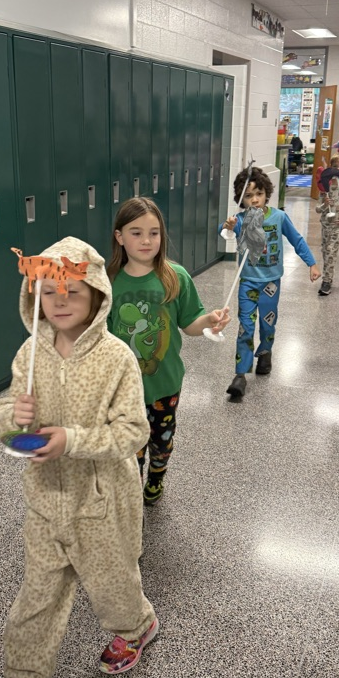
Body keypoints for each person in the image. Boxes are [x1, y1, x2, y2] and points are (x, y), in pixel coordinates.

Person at [0, 237, 158, 678]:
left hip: (100, 501)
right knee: (36, 594)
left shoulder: (116, 358)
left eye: (73, 292)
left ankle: (136, 625)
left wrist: (72, 440)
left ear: (97, 296)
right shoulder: (29, 352)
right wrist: (8, 419)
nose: (59, 301)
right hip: (44, 500)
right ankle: (25, 677)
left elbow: (133, 432)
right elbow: (8, 419)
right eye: (48, 291)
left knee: (112, 584)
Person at [108, 197, 230, 505]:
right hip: (122, 390)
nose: (146, 240)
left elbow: (189, 324)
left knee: (161, 444)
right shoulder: (108, 282)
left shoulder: (174, 276)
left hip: (164, 386)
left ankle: (156, 479)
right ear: (120, 237)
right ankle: (131, 496)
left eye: (154, 232)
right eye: (136, 233)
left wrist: (210, 320)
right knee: (129, 451)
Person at [221, 166, 320, 395]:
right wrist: (227, 227)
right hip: (247, 281)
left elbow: (297, 240)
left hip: (270, 283)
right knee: (246, 326)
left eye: (259, 194)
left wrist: (311, 263)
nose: (255, 200)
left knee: (267, 324)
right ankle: (240, 374)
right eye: (248, 196)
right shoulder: (240, 219)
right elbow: (224, 230)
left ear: (267, 193)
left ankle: (265, 352)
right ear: (241, 199)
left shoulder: (279, 216)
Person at [315, 153, 339, 296]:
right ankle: (328, 275)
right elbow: (318, 209)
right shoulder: (325, 190)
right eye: (334, 167)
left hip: (338, 227)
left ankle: (327, 281)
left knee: (330, 251)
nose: (338, 170)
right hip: (325, 225)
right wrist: (325, 204)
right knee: (325, 251)